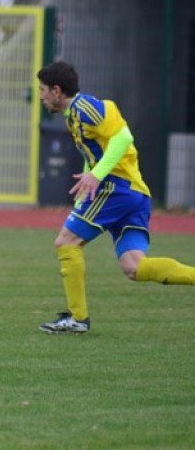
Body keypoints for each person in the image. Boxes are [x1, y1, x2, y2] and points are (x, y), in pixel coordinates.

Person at [35, 61, 195, 334]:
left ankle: (78, 319)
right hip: (133, 192)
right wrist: (88, 184)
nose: (41, 96)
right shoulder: (73, 116)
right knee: (134, 267)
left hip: (116, 188)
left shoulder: (86, 108)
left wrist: (97, 175)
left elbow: (123, 138)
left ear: (56, 90)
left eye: (42, 90)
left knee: (66, 243)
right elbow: (94, 154)